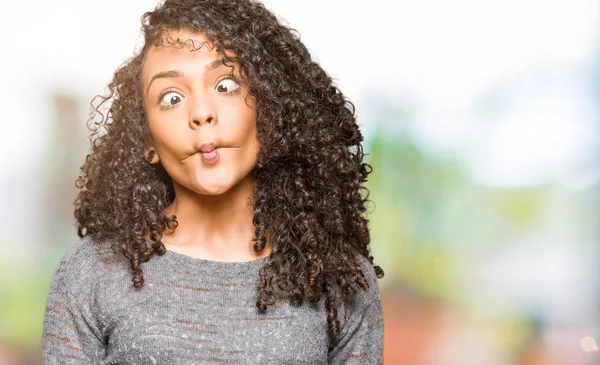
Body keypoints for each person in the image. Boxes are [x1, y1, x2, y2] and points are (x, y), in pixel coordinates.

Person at [41, 0, 385, 363]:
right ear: (147, 142)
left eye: (225, 84)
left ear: (269, 109)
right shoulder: (91, 275)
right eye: (171, 98)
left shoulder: (339, 279)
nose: (202, 113)